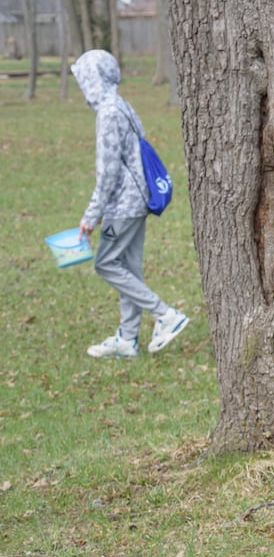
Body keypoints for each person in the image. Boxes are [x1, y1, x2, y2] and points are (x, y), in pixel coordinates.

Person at [70, 49, 189, 359]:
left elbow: (107, 172)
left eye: (84, 78)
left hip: (122, 206)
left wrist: (91, 215)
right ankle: (127, 338)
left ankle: (165, 315)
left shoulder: (108, 113)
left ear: (93, 79)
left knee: (106, 264)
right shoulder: (121, 105)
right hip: (137, 201)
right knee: (129, 269)